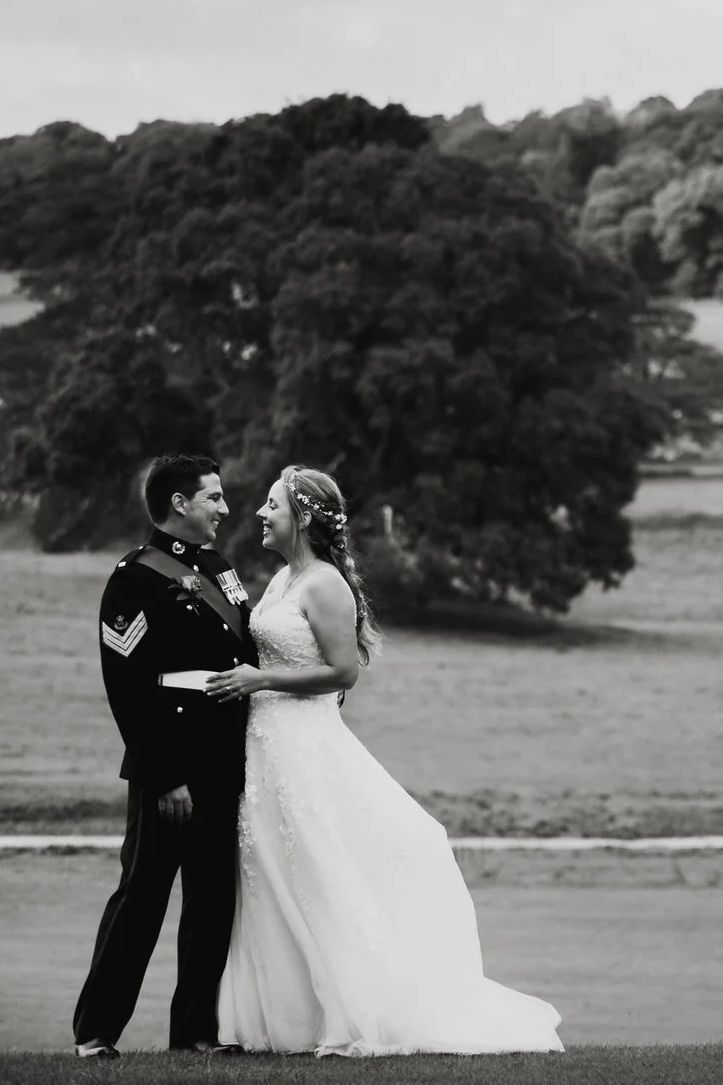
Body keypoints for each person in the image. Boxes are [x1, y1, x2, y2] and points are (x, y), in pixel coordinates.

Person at [206, 465, 563, 1055]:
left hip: (304, 746)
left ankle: (354, 1007)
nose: (260, 515)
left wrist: (258, 680)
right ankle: (282, 1020)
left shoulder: (324, 585)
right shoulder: (278, 582)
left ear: (302, 518)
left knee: (318, 872)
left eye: (272, 506)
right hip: (266, 746)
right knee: (269, 871)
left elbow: (344, 672)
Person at [71, 454, 257, 1059]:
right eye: (214, 497)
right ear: (180, 503)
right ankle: (96, 1033)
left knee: (210, 900)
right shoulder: (134, 577)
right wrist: (165, 775)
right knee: (142, 898)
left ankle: (196, 1034)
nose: (224, 509)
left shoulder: (219, 568)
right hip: (170, 766)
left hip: (223, 762)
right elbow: (125, 686)